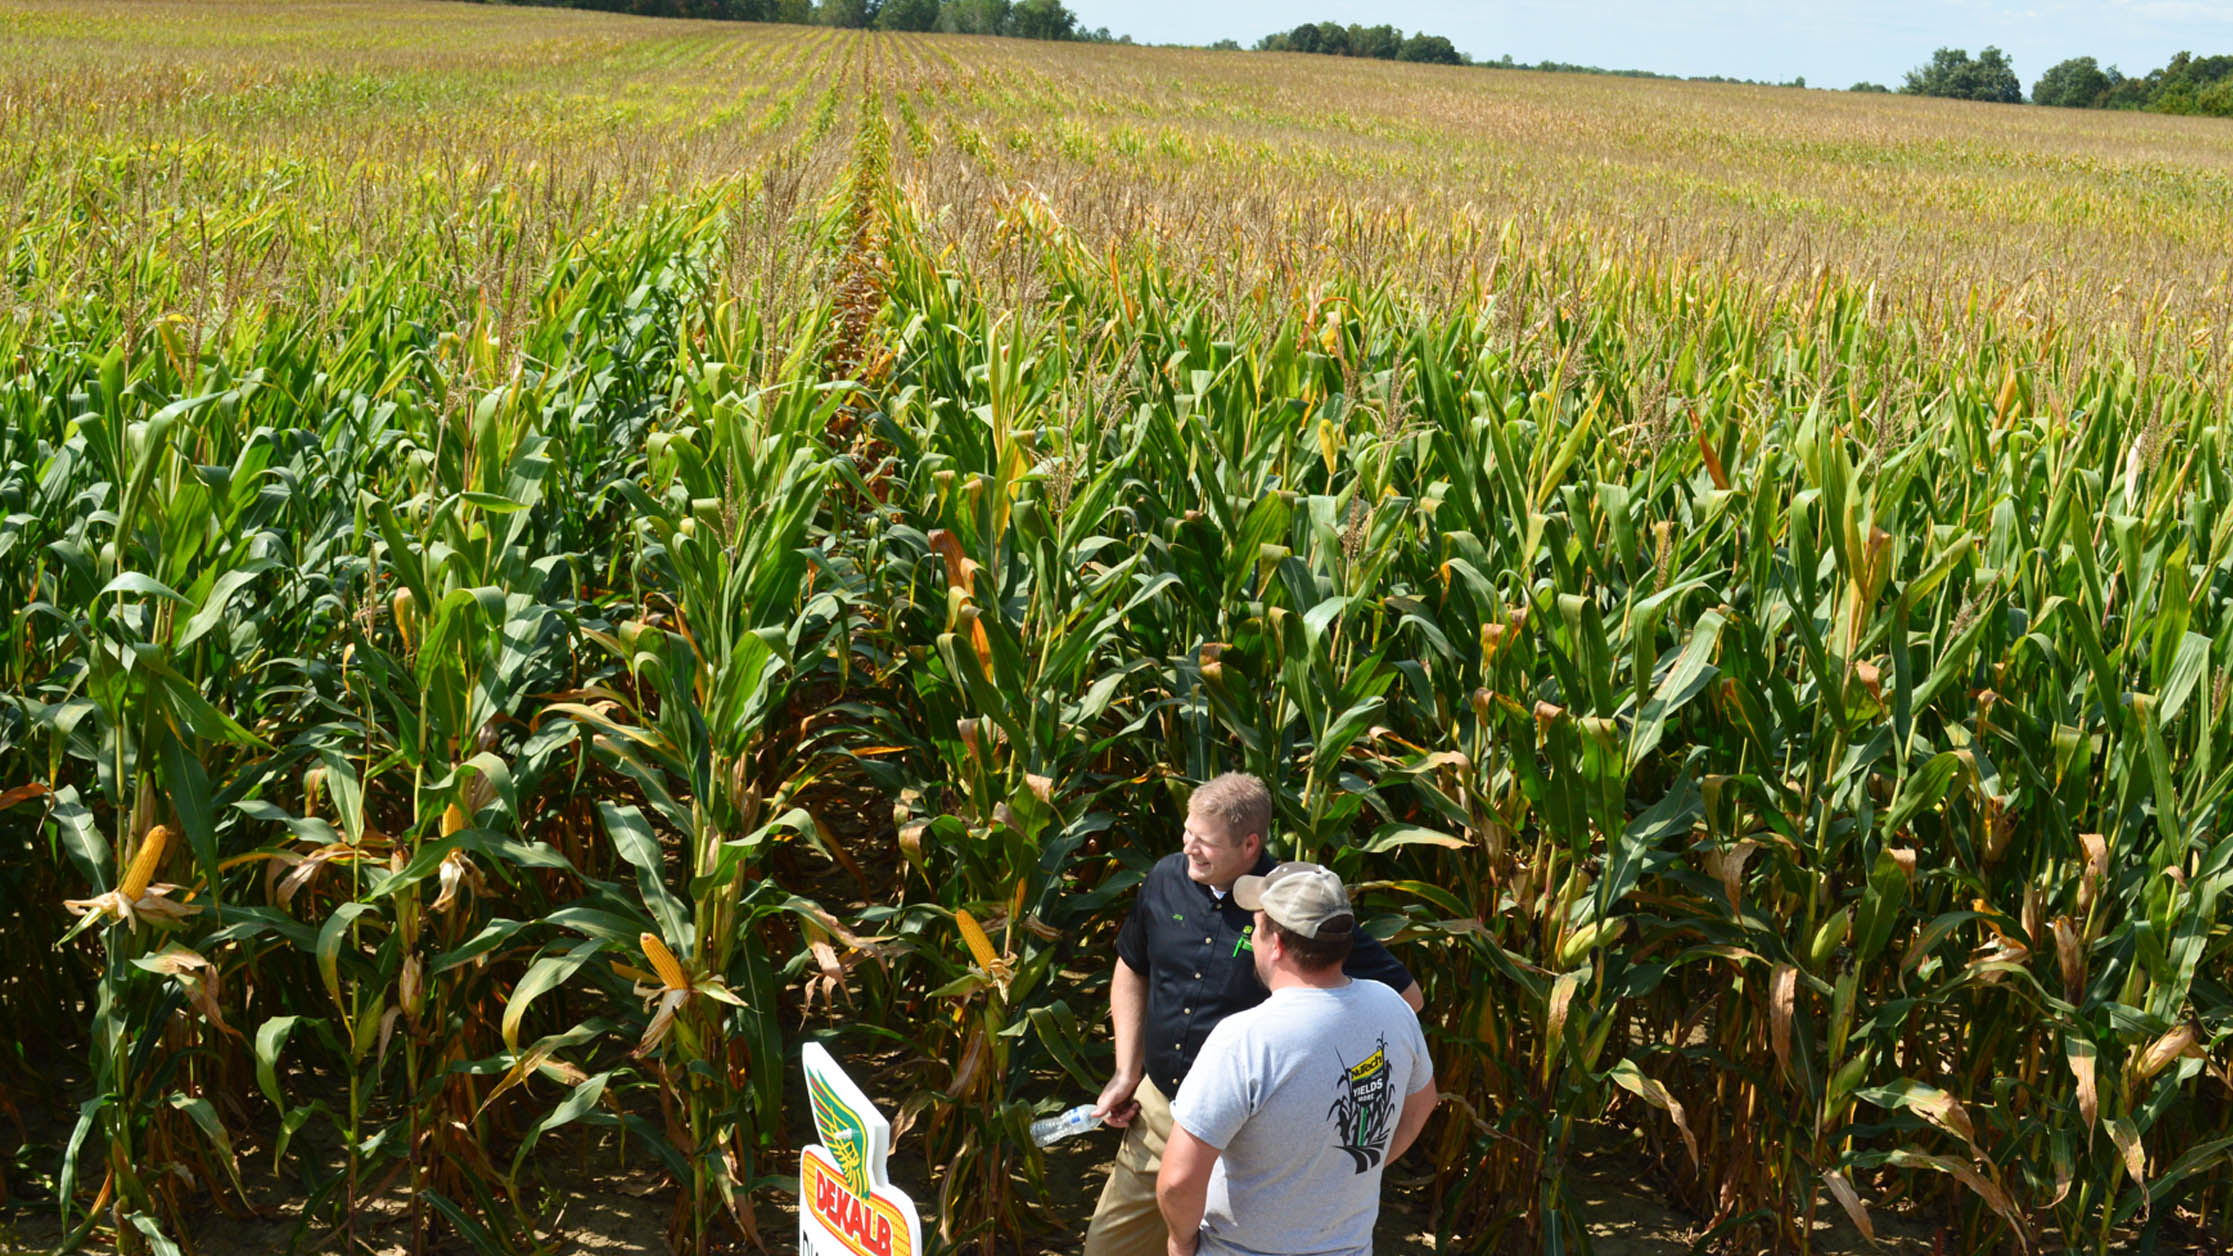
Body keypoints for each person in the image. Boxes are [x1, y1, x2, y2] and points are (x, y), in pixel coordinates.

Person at [1084, 774, 1423, 1256]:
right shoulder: (1164, 878)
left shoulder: (1291, 905)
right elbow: (1131, 966)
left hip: (1252, 1134)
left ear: (1250, 844)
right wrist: (1125, 1070)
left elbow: (1403, 998)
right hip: (1158, 1110)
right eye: (1187, 834)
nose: (1189, 850)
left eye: (1204, 842)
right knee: (1105, 1247)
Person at [1156, 862, 1437, 1256]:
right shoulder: (1393, 1008)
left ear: (1277, 945)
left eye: (1257, 927)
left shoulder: (1245, 1039)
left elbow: (1178, 1181)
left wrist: (1179, 1240)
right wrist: (1352, 1173)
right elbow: (1421, 1105)